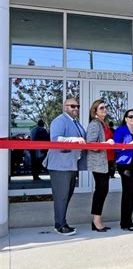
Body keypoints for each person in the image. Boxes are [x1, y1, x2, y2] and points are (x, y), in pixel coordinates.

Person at [43, 98, 87, 236]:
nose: (76, 108)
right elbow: (55, 139)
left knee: (67, 195)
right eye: (72, 106)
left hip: (71, 164)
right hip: (60, 165)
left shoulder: (75, 122)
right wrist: (73, 140)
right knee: (61, 196)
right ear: (65, 107)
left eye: (78, 106)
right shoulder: (60, 120)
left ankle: (61, 222)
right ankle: (60, 225)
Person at [86, 99, 115, 232]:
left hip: (107, 162)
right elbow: (91, 144)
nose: (104, 109)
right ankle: (96, 220)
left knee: (103, 191)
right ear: (95, 111)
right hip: (98, 163)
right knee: (100, 191)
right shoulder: (94, 124)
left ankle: (97, 219)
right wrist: (106, 143)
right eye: (101, 108)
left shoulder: (104, 124)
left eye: (105, 107)